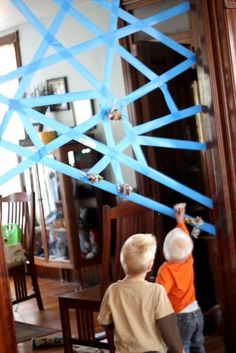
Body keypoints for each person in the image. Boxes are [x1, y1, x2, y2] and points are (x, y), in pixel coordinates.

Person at [98, 233, 185, 353]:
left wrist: (122, 326)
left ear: (123, 264)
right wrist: (179, 350)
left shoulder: (113, 290)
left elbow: (105, 322)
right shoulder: (156, 291)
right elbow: (168, 328)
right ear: (149, 266)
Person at [156, 204, 205, 353]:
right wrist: (180, 220)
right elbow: (184, 238)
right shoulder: (188, 259)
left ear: (165, 251)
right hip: (196, 313)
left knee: (181, 347)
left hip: (180, 317)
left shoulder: (165, 270)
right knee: (198, 345)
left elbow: (159, 295)